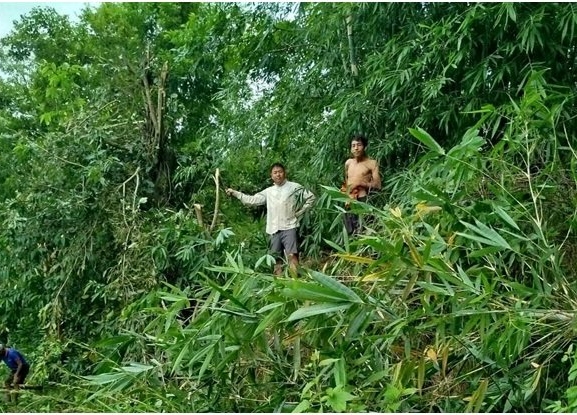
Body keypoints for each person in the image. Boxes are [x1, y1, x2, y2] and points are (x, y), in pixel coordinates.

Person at [226, 163, 315, 275]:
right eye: (275, 172)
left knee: (292, 256)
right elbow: (252, 200)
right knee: (276, 260)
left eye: (280, 172)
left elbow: (311, 197)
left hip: (290, 227)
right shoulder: (268, 192)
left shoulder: (294, 187)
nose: (278, 175)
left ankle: (295, 283)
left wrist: (300, 212)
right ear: (271, 176)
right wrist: (235, 193)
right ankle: (279, 286)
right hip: (274, 229)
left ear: (285, 173)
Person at [342, 133, 382, 235]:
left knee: (365, 228)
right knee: (350, 231)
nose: (356, 148)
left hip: (363, 200)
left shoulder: (372, 163)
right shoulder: (348, 163)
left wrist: (361, 183)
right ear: (350, 148)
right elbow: (346, 180)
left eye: (359, 145)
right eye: (353, 145)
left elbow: (378, 185)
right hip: (349, 200)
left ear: (364, 147)